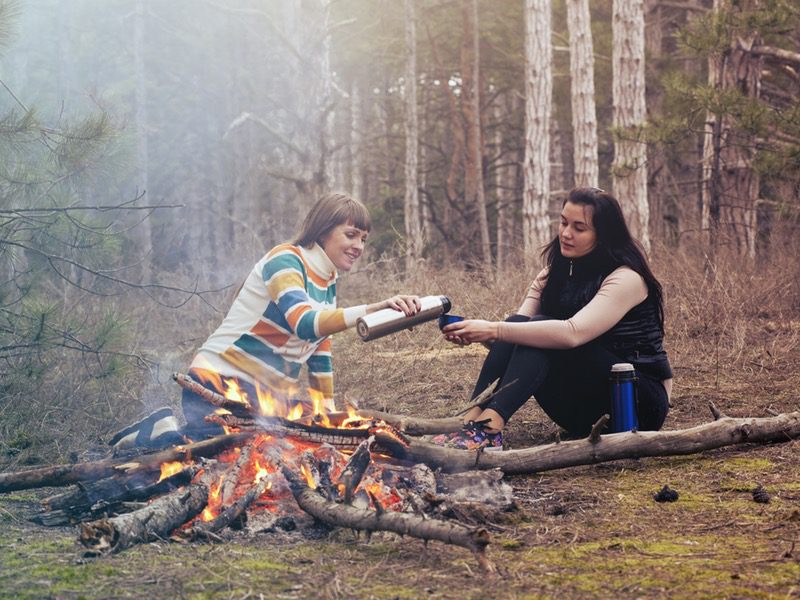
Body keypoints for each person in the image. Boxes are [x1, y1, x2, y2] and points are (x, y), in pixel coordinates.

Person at [111, 193, 420, 449]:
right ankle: (157, 431)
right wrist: (370, 309)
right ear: (323, 231)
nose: (359, 247)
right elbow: (305, 324)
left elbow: (319, 348)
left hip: (264, 399)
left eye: (364, 239)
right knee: (221, 453)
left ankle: (175, 431)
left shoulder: (328, 280)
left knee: (309, 440)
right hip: (218, 383)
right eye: (351, 235)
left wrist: (327, 411)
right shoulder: (285, 260)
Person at [434, 187, 672, 451]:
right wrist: (476, 333)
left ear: (604, 235)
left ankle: (489, 430)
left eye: (579, 228)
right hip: (580, 409)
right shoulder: (550, 275)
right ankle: (468, 422)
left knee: (534, 329)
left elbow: (572, 333)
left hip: (636, 405)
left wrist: (493, 329)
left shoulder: (626, 278)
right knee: (519, 324)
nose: (566, 233)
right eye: (563, 222)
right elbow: (515, 335)